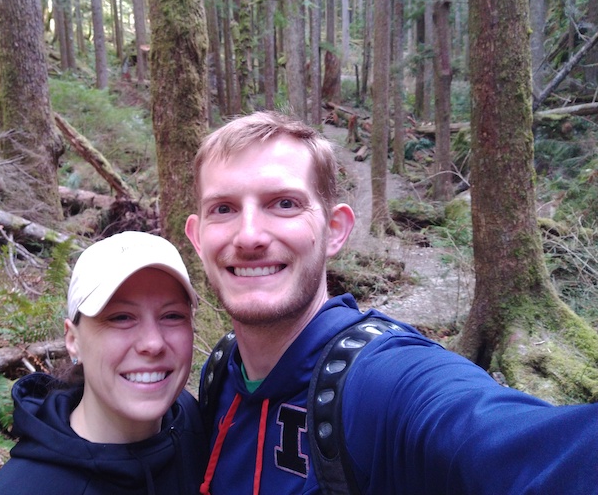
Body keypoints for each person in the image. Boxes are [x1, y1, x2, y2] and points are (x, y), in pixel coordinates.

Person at [184, 111, 598, 495]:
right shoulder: (219, 375)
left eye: (285, 204)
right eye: (224, 208)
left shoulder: (384, 383)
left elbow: (511, 444)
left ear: (335, 230)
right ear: (199, 239)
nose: (249, 236)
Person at [0, 231, 207, 494]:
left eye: (172, 316)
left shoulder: (192, 421)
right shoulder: (24, 488)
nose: (153, 343)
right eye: (121, 318)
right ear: (73, 340)